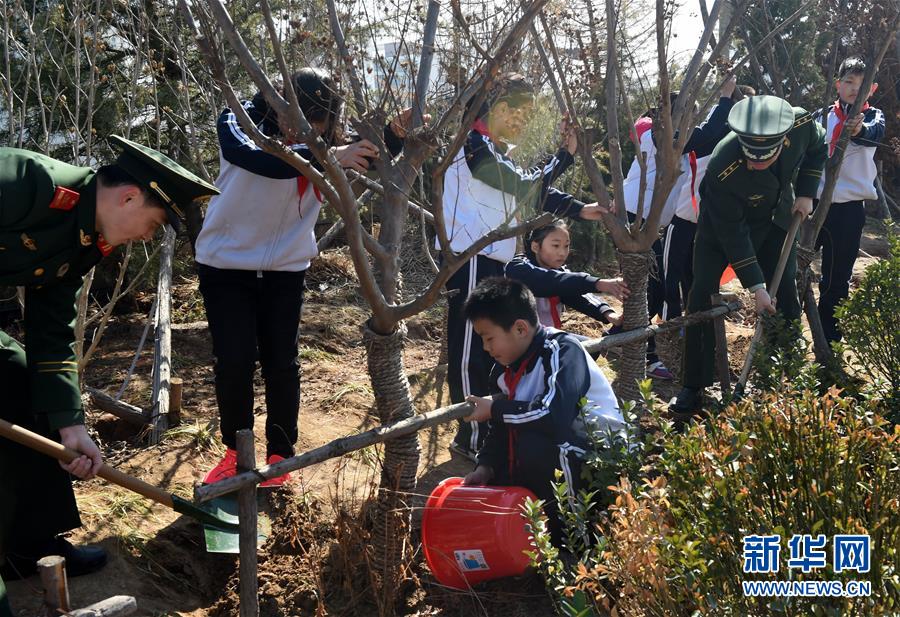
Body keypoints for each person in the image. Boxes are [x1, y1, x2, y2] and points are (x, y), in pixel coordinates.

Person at [0, 137, 219, 589]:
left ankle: (29, 545)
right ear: (129, 197)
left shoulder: (83, 241)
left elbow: (52, 331)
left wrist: (70, 426)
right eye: (154, 225)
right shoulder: (25, 183)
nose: (146, 237)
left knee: (22, 377)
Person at [196, 68, 421, 485]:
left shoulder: (324, 141)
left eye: (317, 123)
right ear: (280, 101)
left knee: (282, 363)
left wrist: (392, 134)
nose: (301, 130)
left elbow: (364, 155)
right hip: (225, 266)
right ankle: (235, 452)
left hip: (285, 268)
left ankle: (281, 456)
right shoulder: (240, 120)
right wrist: (330, 156)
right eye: (297, 118)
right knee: (235, 361)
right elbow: (257, 158)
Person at [440, 73, 608, 461]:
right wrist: (563, 157)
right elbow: (521, 186)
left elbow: (533, 190)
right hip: (468, 260)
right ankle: (471, 436)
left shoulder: (495, 149)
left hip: (495, 261)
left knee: (490, 349)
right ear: (490, 108)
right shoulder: (471, 145)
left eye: (526, 113)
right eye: (512, 110)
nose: (519, 119)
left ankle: (487, 431)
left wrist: (579, 210)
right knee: (469, 351)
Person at [670, 95, 827, 415]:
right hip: (721, 231)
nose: (754, 163)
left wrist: (808, 191)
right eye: (750, 157)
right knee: (701, 295)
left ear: (782, 140)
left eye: (763, 158)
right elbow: (734, 235)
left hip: (775, 221)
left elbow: (818, 145)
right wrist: (755, 287)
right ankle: (694, 385)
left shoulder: (799, 123)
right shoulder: (723, 166)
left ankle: (784, 376)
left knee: (784, 294)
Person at [460, 277, 625, 542]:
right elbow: (502, 427)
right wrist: (486, 467)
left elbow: (554, 416)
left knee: (537, 445)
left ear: (521, 329)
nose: (486, 348)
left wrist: (496, 409)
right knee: (508, 462)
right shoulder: (504, 370)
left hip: (601, 458)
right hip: (564, 453)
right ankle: (533, 541)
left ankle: (579, 541)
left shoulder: (562, 350)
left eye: (489, 338)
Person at [620, 77, 738, 379]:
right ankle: (645, 357)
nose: (693, 122)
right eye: (689, 115)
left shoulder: (675, 138)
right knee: (653, 289)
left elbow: (713, 138)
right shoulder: (658, 133)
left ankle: (619, 335)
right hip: (637, 220)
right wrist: (724, 99)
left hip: (651, 222)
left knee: (651, 287)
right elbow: (708, 134)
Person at [661, 83, 756, 320]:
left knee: (698, 277)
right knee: (672, 274)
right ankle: (671, 323)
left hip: (709, 221)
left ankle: (696, 323)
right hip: (684, 217)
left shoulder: (745, 141)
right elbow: (707, 133)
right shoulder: (712, 134)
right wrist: (725, 100)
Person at [814, 57, 884, 344]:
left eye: (861, 83)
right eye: (848, 82)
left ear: (872, 88)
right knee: (794, 269)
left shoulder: (873, 116)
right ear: (837, 84)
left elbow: (872, 135)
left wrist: (858, 130)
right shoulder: (820, 116)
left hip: (849, 211)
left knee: (836, 279)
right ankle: (785, 336)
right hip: (815, 207)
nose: (855, 88)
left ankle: (829, 342)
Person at [504, 219, 628, 330]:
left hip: (548, 337)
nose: (562, 253)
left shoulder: (560, 272)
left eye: (566, 246)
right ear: (535, 246)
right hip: (520, 341)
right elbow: (550, 282)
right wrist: (599, 284)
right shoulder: (517, 268)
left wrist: (609, 314)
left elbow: (577, 295)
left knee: (593, 348)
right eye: (556, 245)